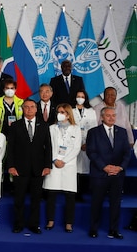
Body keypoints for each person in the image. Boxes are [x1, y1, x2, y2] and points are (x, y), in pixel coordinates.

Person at [5, 99, 52, 234]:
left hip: (38, 169)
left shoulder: (43, 125)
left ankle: (34, 224)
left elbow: (48, 147)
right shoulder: (15, 125)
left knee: (36, 199)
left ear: (36, 109)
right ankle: (18, 224)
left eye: (32, 107)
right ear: (22, 109)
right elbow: (11, 148)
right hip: (20, 169)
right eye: (26, 107)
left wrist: (47, 165)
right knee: (19, 199)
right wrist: (11, 166)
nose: (29, 109)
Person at [86, 107, 130, 239]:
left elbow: (127, 153)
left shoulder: (122, 132)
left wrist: (120, 167)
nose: (111, 118)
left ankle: (114, 230)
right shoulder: (93, 132)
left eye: (113, 115)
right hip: (100, 174)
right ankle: (93, 229)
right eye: (108, 115)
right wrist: (104, 167)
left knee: (115, 203)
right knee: (96, 203)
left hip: (117, 174)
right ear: (102, 117)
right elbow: (91, 152)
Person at [43, 104, 81, 232]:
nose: (60, 114)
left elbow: (76, 148)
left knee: (70, 196)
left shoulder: (76, 129)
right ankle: (50, 221)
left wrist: (63, 161)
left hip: (68, 165)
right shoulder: (51, 128)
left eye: (63, 112)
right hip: (54, 164)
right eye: (59, 111)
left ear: (69, 114)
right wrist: (55, 159)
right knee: (51, 195)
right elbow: (49, 146)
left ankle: (69, 223)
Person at [72, 90, 96, 200]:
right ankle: (75, 192)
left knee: (85, 168)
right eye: (78, 96)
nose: (80, 98)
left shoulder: (91, 111)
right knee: (74, 169)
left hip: (87, 143)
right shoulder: (71, 110)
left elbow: (94, 128)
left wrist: (87, 143)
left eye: (82, 96)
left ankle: (84, 191)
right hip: (73, 143)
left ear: (85, 98)